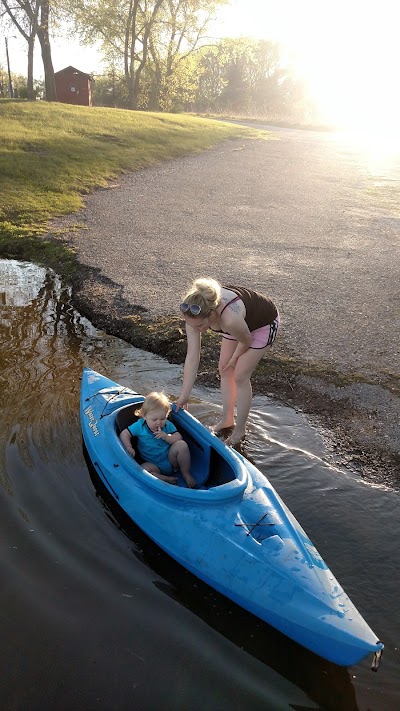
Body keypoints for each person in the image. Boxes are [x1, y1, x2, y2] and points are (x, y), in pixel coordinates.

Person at [175, 278, 279, 446]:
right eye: (191, 325)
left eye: (200, 326)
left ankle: (240, 430)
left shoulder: (229, 319)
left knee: (240, 375)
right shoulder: (193, 315)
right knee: (224, 370)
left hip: (262, 324)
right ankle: (227, 420)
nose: (195, 329)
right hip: (240, 326)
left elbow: (246, 339)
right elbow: (192, 357)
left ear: (211, 314)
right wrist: (184, 397)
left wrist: (235, 359)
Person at [119, 392, 196, 488]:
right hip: (154, 464)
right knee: (143, 469)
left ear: (167, 415)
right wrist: (128, 447)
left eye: (162, 418)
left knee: (182, 445)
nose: (159, 422)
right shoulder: (140, 426)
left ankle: (185, 473)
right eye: (154, 420)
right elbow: (124, 433)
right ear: (144, 416)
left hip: (171, 460)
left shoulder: (167, 425)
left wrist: (166, 437)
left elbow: (178, 437)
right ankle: (164, 479)